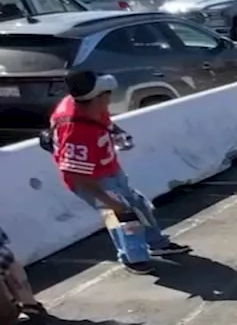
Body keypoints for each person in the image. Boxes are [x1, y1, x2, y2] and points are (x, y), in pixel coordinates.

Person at [51, 70, 190, 275]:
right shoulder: (75, 130)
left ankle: (156, 243)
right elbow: (76, 175)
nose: (109, 99)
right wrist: (107, 200)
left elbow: (104, 122)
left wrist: (117, 133)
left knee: (138, 204)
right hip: (92, 180)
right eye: (106, 95)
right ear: (97, 97)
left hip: (108, 168)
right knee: (121, 216)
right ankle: (132, 257)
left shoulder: (90, 109)